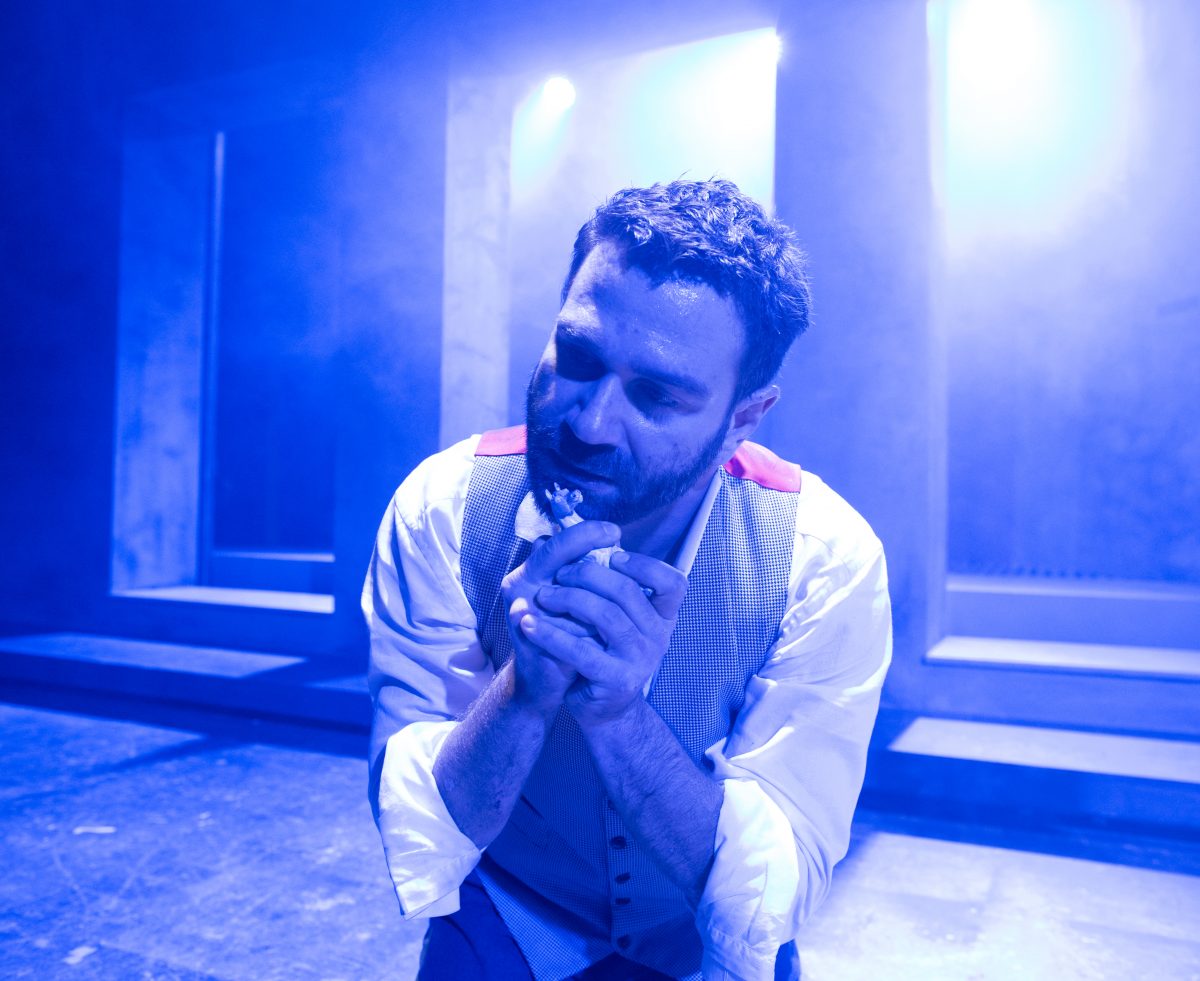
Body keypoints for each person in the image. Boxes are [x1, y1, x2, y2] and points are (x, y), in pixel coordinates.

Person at [364, 179, 891, 981]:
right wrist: (522, 693)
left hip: (707, 941)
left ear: (742, 418)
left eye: (656, 395)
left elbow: (775, 881)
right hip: (512, 912)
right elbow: (426, 838)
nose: (590, 423)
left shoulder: (823, 558)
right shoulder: (444, 506)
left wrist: (618, 715)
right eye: (577, 358)